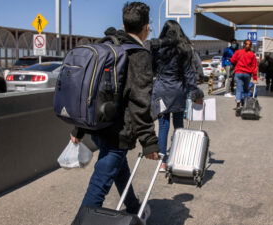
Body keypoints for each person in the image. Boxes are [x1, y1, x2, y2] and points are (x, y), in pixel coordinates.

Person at [70, 2, 159, 222]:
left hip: (97, 125)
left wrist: (80, 129)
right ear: (146, 27)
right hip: (119, 132)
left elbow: (88, 91)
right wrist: (148, 141)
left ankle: (133, 207)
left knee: (119, 169)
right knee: (99, 186)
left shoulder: (107, 45)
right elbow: (140, 102)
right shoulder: (139, 54)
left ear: (123, 24)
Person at [150, 20, 204, 172]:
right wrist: (196, 93)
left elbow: (153, 69)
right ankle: (178, 155)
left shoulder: (157, 48)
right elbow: (189, 75)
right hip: (178, 90)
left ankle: (162, 161)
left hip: (160, 89)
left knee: (163, 125)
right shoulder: (184, 49)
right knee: (178, 123)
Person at [230, 39, 258, 116]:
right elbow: (254, 67)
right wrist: (255, 78)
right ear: (251, 46)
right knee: (245, 90)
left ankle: (238, 104)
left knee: (239, 89)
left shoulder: (238, 52)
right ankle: (245, 104)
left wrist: (237, 62)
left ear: (243, 44)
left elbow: (232, 60)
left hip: (238, 73)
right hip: (247, 74)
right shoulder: (252, 54)